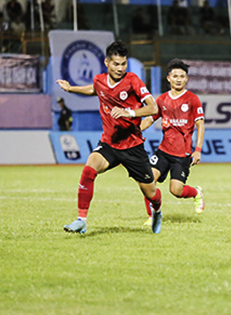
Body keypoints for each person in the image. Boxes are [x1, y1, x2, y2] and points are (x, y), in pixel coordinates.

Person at [56, 41, 163, 234]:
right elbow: (92, 89)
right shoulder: (99, 80)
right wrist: (71, 88)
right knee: (89, 169)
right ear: (107, 62)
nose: (120, 68)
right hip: (109, 144)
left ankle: (157, 210)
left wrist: (129, 113)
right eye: (116, 64)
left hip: (133, 146)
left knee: (150, 192)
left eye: (123, 64)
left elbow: (153, 107)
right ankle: (82, 219)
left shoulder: (133, 81)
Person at [139, 59, 205, 222]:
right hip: (163, 151)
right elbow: (149, 119)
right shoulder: (161, 100)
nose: (178, 79)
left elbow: (200, 125)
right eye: (175, 76)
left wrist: (198, 150)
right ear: (168, 78)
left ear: (186, 79)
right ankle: (152, 217)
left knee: (176, 190)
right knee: (147, 181)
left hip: (182, 155)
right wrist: (134, 131)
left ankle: (196, 193)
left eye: (182, 76)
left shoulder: (192, 99)